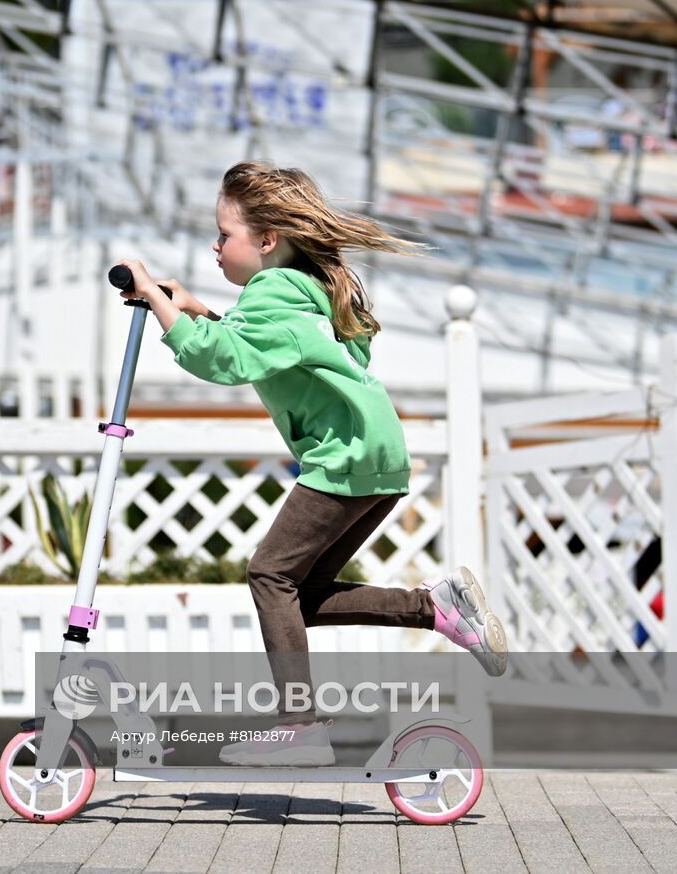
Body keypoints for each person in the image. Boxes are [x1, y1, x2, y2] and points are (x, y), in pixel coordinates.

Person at [116, 161, 508, 767]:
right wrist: (195, 309)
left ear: (267, 241)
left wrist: (151, 293)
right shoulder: (306, 291)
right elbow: (263, 350)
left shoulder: (270, 293)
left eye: (224, 235)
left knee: (268, 576)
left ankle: (297, 724)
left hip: (342, 457)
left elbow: (220, 362)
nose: (215, 247)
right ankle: (435, 607)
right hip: (373, 457)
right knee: (301, 594)